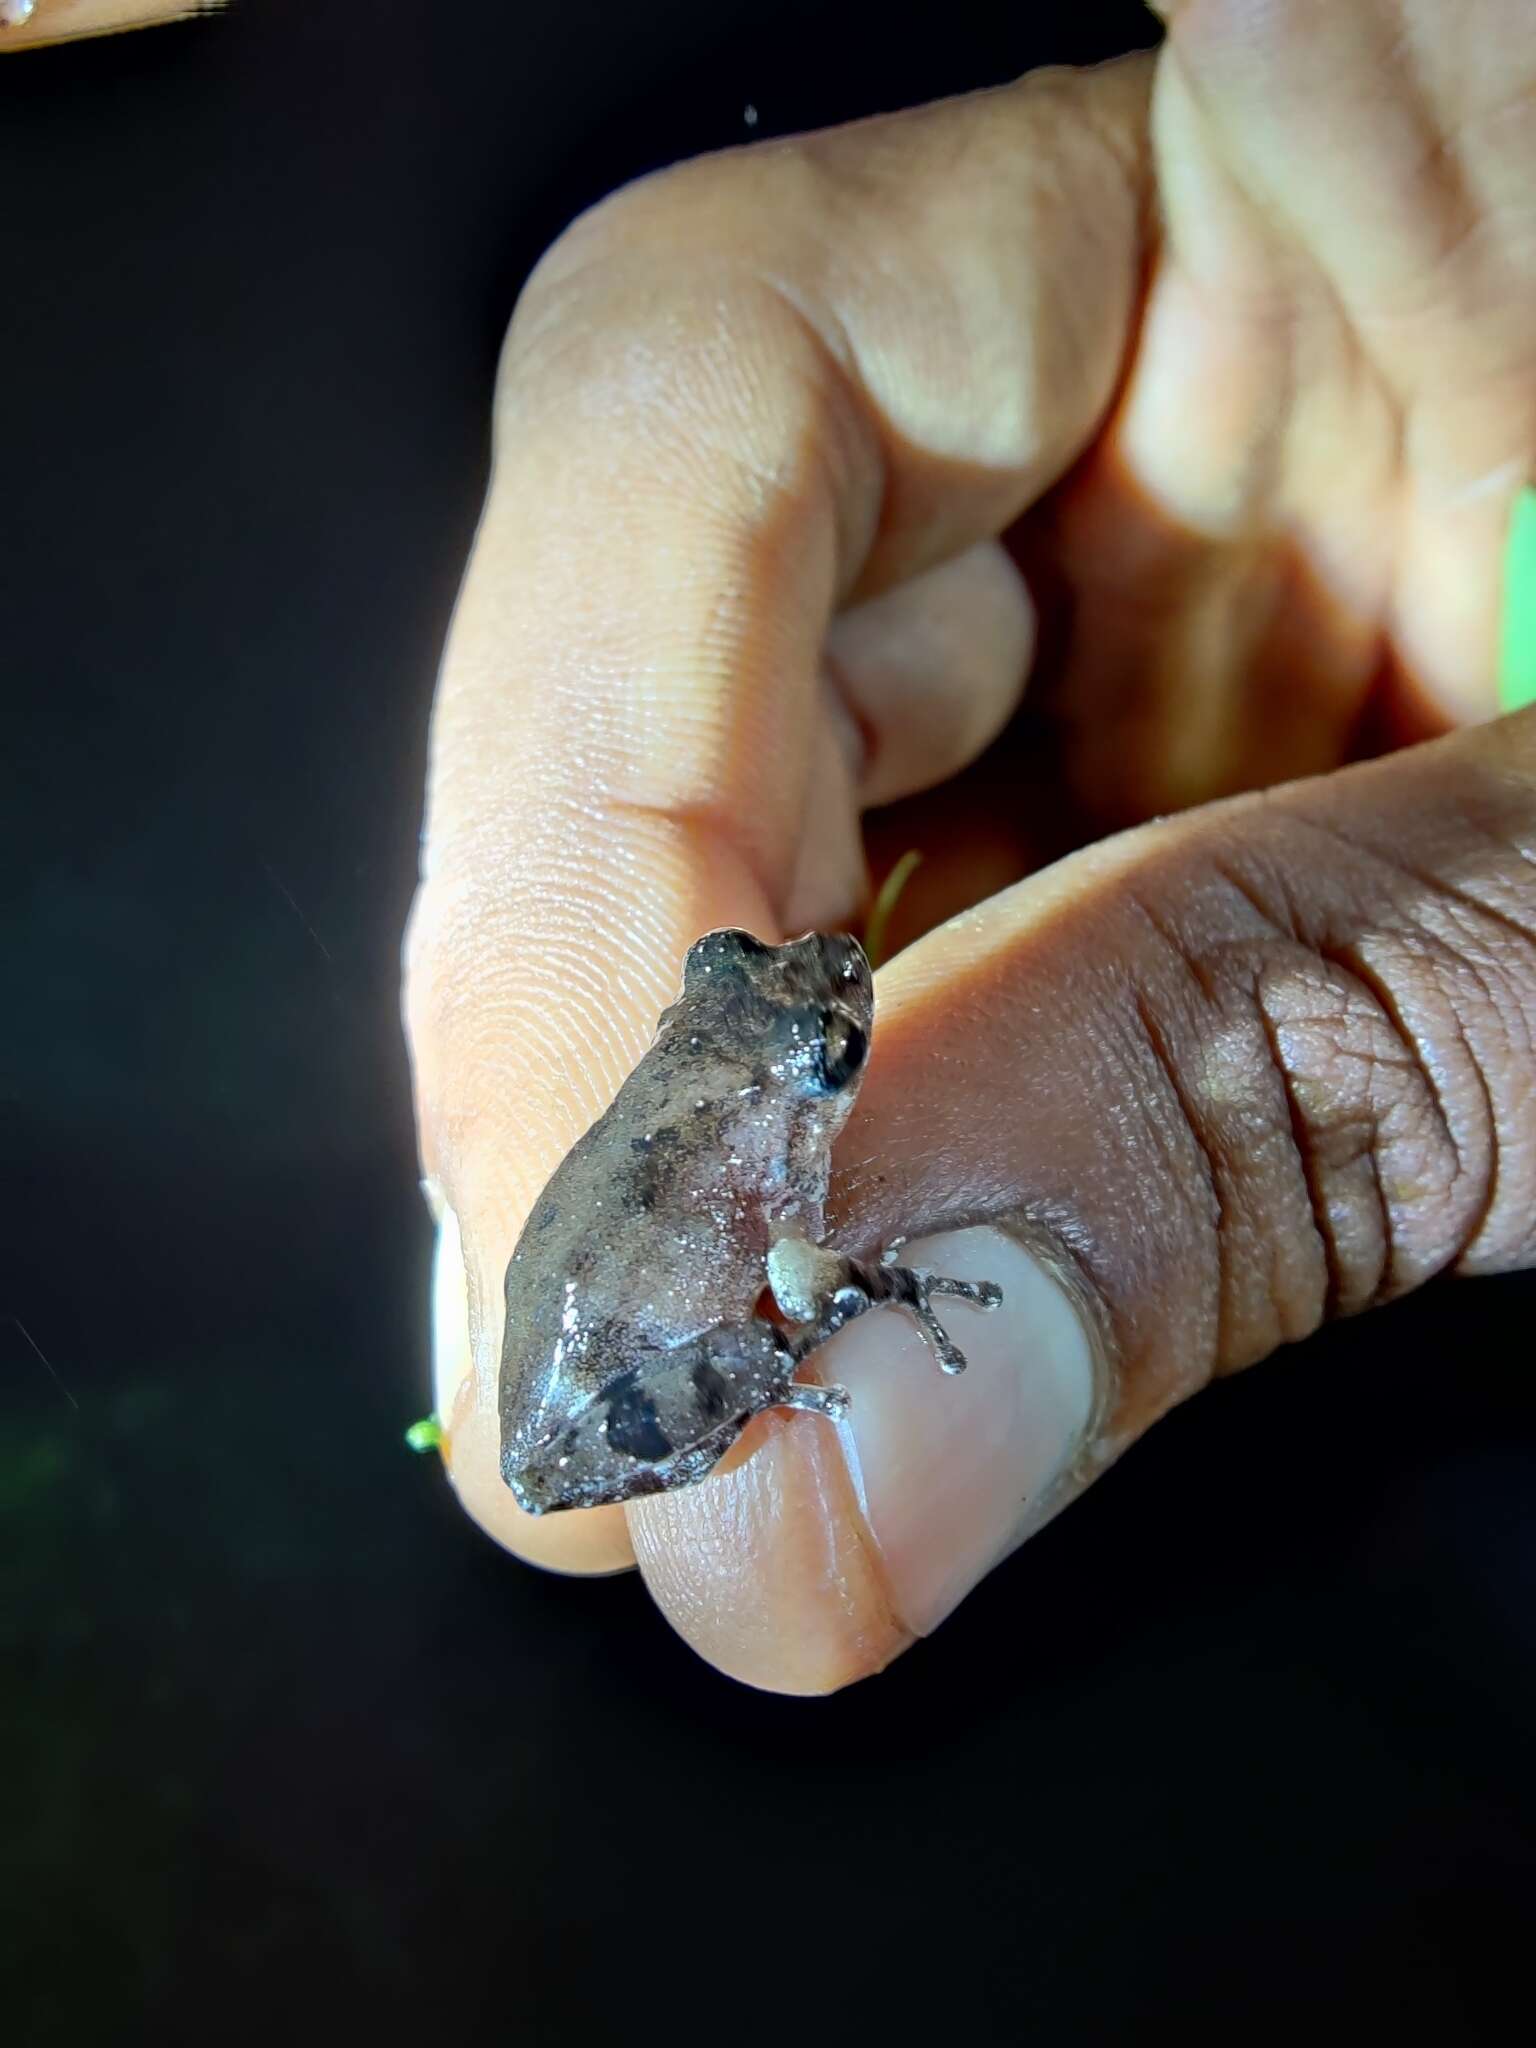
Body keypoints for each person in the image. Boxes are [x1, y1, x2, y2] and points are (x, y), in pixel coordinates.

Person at [402, 0, 1536, 1694]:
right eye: (803, 1027)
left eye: (788, 1005)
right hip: (612, 1377)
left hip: (619, 1292)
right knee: (712, 1380)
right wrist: (826, 1318)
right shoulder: (775, 1143)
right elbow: (798, 1266)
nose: (816, 997)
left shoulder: (749, 1122)